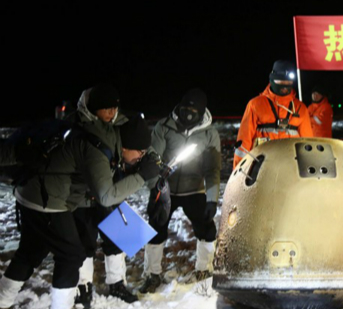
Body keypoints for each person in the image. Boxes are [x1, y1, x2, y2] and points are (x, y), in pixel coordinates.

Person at [0, 114, 159, 309]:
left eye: (114, 108)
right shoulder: (98, 145)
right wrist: (142, 176)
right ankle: (71, 298)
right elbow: (105, 195)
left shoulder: (109, 134)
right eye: (140, 152)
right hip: (49, 198)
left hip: (37, 192)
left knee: (31, 251)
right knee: (72, 255)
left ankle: (3, 300)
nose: (110, 112)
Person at [139, 88, 221, 294]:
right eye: (185, 109)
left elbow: (213, 169)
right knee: (156, 228)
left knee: (206, 229)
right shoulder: (164, 127)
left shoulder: (210, 133)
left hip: (194, 189)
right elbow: (152, 158)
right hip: (165, 188)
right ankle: (152, 273)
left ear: (202, 112)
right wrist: (154, 191)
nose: (189, 114)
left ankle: (204, 269)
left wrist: (211, 200)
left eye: (194, 111)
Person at [67, 85, 138, 307]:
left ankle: (117, 283)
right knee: (84, 241)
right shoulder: (75, 123)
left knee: (116, 238)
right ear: (92, 108)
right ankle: (83, 286)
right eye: (105, 109)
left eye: (113, 108)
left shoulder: (119, 123)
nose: (110, 113)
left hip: (111, 189)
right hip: (81, 196)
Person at [233, 60, 313, 168]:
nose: (284, 86)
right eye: (280, 82)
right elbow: (244, 141)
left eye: (288, 82)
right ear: (271, 80)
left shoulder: (300, 108)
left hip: (290, 166)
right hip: (261, 165)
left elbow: (308, 143)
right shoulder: (255, 105)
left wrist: (309, 168)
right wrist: (238, 171)